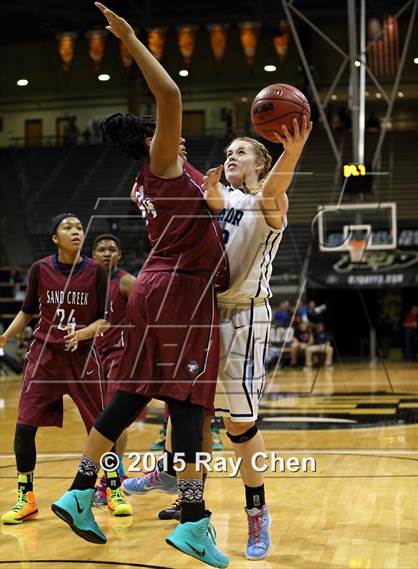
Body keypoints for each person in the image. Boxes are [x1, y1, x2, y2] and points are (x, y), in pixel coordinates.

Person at [52, 5, 229, 568]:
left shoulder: (154, 182)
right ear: (156, 141)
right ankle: (195, 522)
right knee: (189, 407)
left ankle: (81, 491)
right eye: (172, 140)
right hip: (181, 293)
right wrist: (129, 39)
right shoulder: (163, 163)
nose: (182, 144)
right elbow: (171, 96)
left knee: (132, 396)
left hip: (155, 290)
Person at [124, 118, 312, 559]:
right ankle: (177, 482)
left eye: (240, 152)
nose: (230, 157)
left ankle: (256, 513)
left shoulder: (270, 198)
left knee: (238, 425)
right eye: (227, 152)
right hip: (201, 309)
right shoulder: (217, 193)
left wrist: (293, 150)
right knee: (186, 404)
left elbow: (269, 191)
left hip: (245, 317)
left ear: (261, 163)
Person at [1, 213, 109, 525]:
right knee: (24, 427)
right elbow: (27, 312)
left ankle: (112, 490)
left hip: (83, 357)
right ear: (54, 237)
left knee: (103, 427)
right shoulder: (40, 269)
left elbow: (105, 320)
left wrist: (85, 333)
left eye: (79, 228)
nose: (76, 232)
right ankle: (26, 498)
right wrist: (6, 336)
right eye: (68, 227)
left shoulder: (97, 271)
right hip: (45, 357)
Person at [91, 234, 135, 515]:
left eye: (112, 250)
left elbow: (149, 309)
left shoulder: (127, 282)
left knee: (113, 419)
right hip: (93, 358)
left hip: (119, 357)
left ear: (119, 254)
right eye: (101, 249)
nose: (106, 253)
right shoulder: (85, 283)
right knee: (99, 420)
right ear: (93, 254)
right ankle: (113, 474)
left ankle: (113, 478)